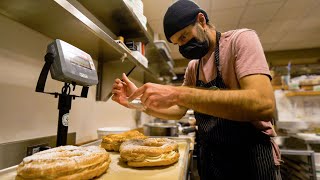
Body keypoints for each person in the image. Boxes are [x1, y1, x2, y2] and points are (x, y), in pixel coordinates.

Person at [112, 0, 281, 179]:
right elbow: (178, 110)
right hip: (212, 160)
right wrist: (137, 102)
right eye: (178, 44)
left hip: (250, 159)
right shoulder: (194, 67)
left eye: (184, 37)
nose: (184, 47)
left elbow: (263, 104)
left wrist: (177, 93)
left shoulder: (239, 41)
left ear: (201, 21)